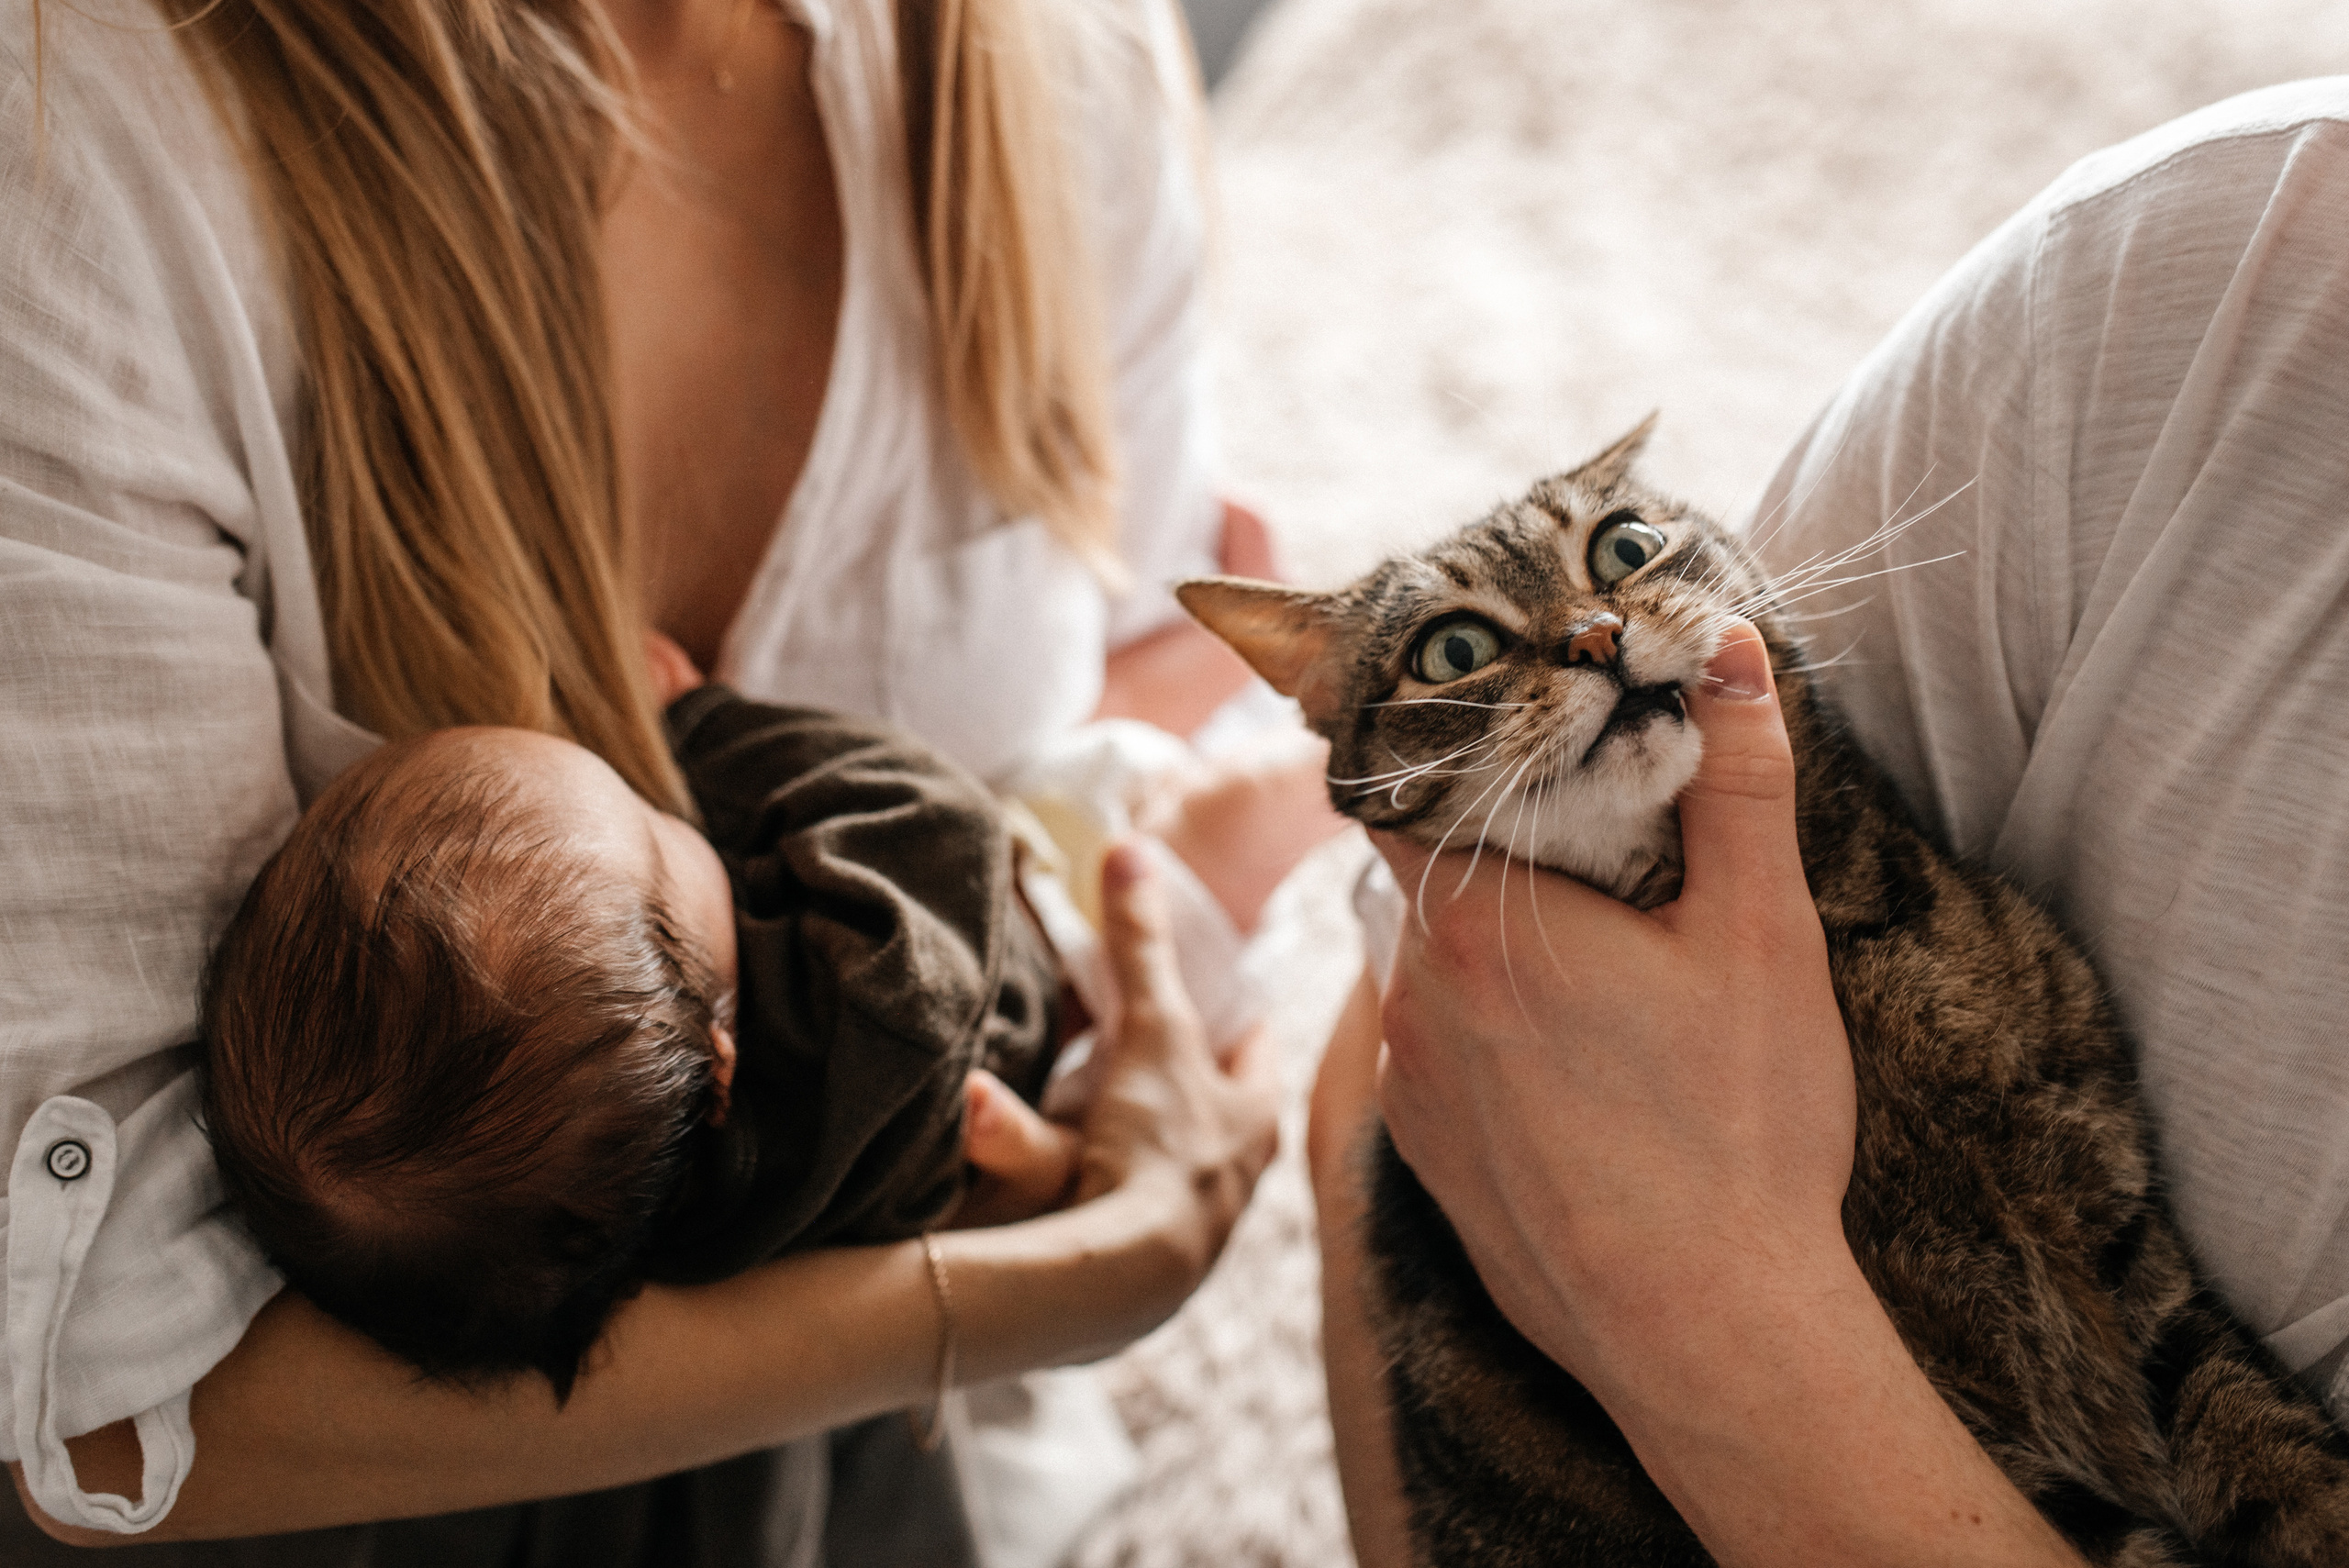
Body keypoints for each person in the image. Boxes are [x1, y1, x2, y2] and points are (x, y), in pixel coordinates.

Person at [2, 0, 1308, 1557]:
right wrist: (1052, 1279)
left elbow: (1116, 659)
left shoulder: (1061, 60)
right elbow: (93, 1395)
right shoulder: (75, 155)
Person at [1312, 77, 2349, 1566]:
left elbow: (2142, 1305)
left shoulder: (1956, 928)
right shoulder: (2154, 282)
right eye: (1465, 643)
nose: (1592, 631)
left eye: (1621, 549)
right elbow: (1377, 1047)